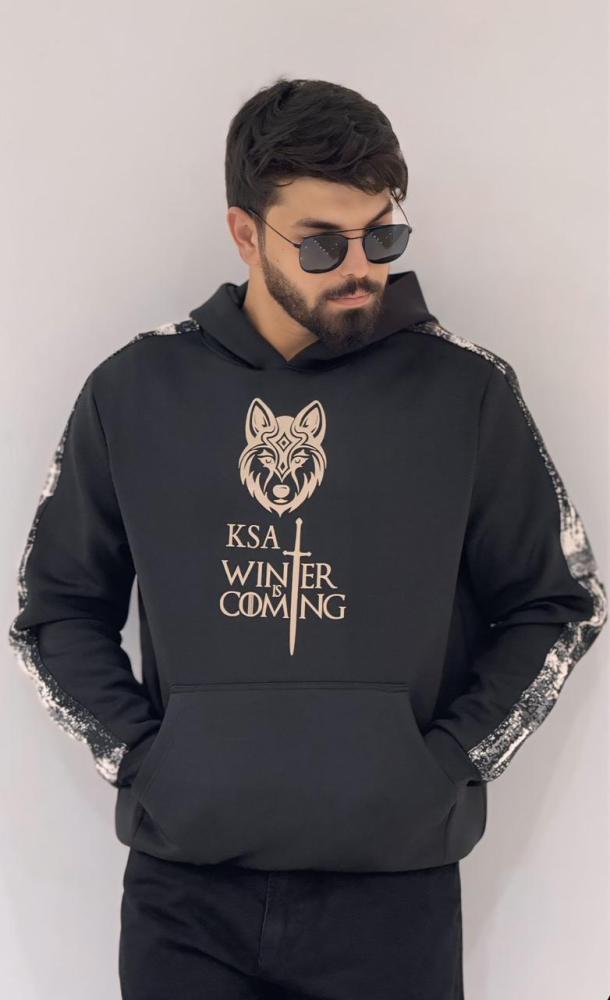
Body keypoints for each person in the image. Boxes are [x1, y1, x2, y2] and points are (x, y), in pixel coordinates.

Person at [8, 75, 607, 1000]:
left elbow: (559, 603)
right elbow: (54, 608)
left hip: (392, 900)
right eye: (323, 243)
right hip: (185, 899)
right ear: (246, 233)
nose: (361, 266)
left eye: (383, 235)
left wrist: (445, 766)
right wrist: (143, 760)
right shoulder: (136, 391)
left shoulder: (465, 393)